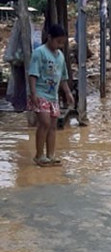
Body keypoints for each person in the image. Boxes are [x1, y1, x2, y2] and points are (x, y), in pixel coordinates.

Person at [28, 24, 74, 167]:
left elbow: (63, 77)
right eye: (58, 42)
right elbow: (33, 74)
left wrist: (67, 93)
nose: (60, 45)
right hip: (40, 94)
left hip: (53, 96)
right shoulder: (39, 53)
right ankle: (39, 155)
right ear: (49, 38)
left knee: (53, 126)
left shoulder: (60, 56)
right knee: (45, 123)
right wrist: (33, 93)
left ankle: (51, 155)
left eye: (62, 43)